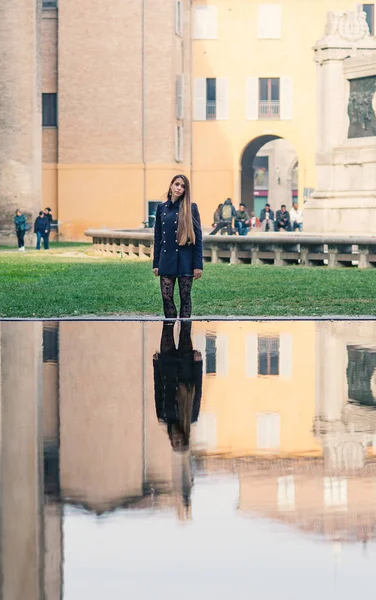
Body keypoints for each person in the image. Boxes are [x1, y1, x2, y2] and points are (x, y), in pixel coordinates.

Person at [154, 321, 202, 521]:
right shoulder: (190, 416)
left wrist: (156, 364)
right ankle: (180, 311)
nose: (176, 440)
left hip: (166, 366)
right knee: (184, 330)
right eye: (180, 442)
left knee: (167, 330)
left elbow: (157, 389)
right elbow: (197, 392)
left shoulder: (163, 417)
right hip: (185, 367)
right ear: (184, 436)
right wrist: (198, 364)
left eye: (175, 443)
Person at [153, 174, 203, 319]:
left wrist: (197, 265)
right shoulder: (161, 208)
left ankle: (185, 337)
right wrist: (156, 263)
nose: (179, 188)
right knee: (166, 297)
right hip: (166, 258)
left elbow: (198, 239)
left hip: (185, 260)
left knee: (185, 298)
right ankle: (169, 331)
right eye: (177, 184)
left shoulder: (191, 208)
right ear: (171, 185)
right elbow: (157, 237)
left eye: (182, 186)